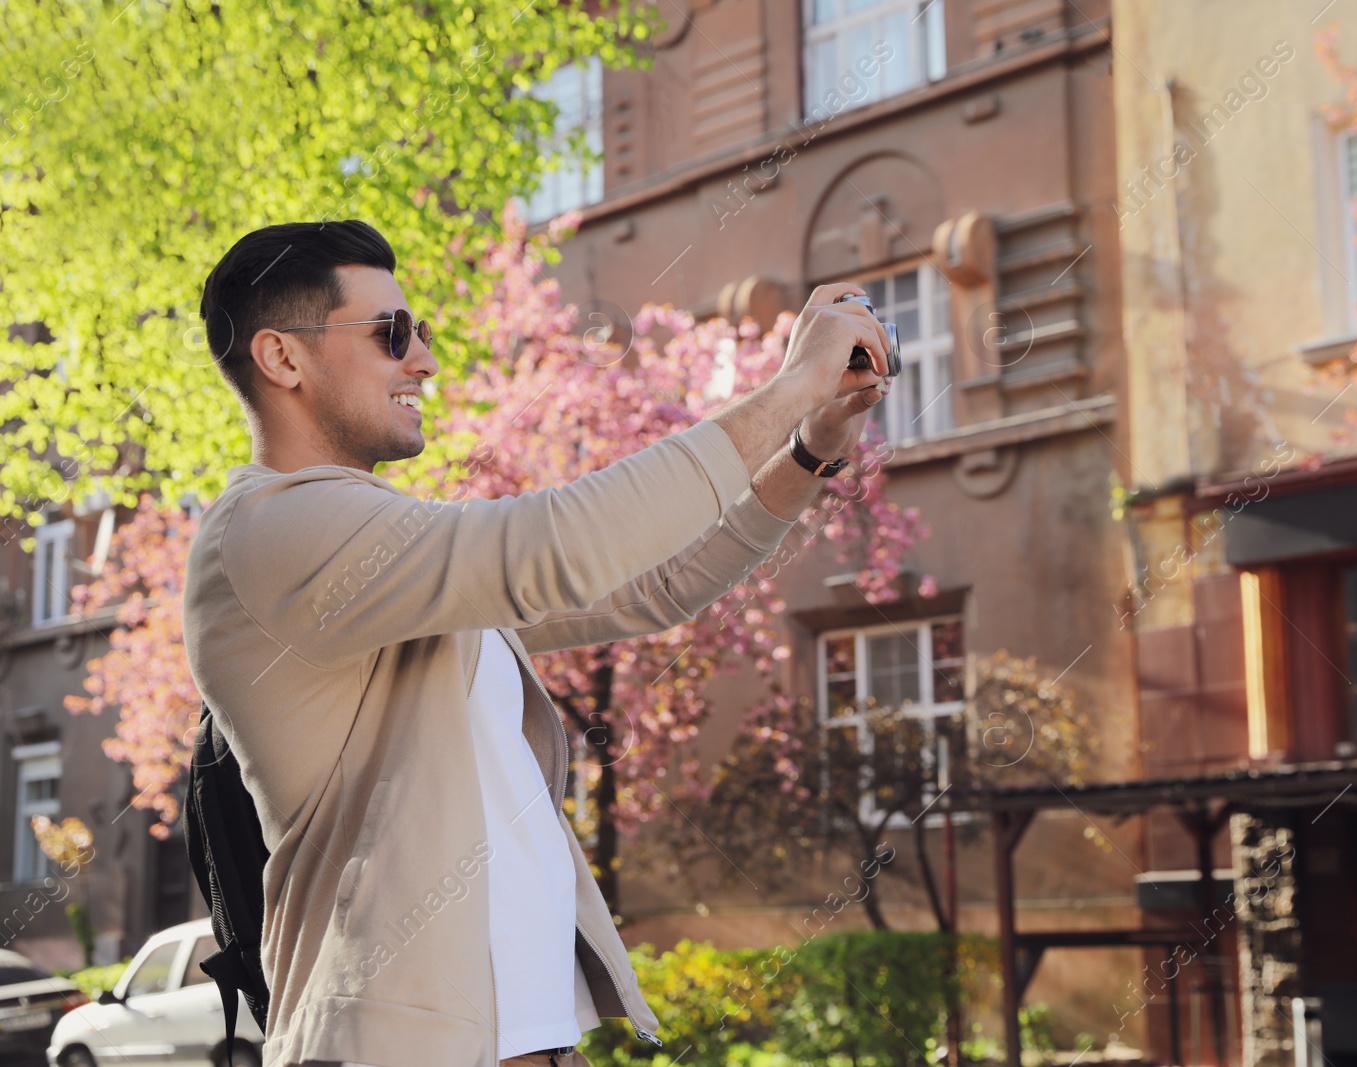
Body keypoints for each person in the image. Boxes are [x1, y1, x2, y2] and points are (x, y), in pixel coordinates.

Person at [183, 219, 891, 1067]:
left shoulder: (390, 560)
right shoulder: (272, 529)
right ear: (282, 358)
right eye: (391, 333)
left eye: (423, 332)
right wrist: (791, 385)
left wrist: (808, 447)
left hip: (531, 1042)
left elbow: (654, 584)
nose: (425, 361)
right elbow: (556, 549)